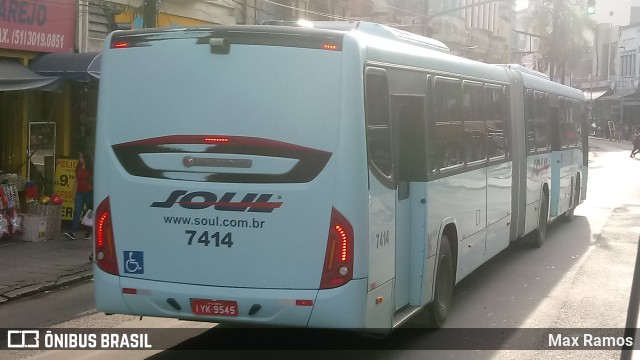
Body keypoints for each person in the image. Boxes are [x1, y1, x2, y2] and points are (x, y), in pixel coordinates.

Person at [64, 153, 93, 240]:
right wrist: (73, 192)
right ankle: (72, 232)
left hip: (89, 192)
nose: (79, 159)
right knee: (77, 212)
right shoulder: (78, 168)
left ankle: (89, 232)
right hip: (80, 193)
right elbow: (76, 181)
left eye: (81, 157)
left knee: (89, 213)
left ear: (85, 158)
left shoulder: (91, 169)